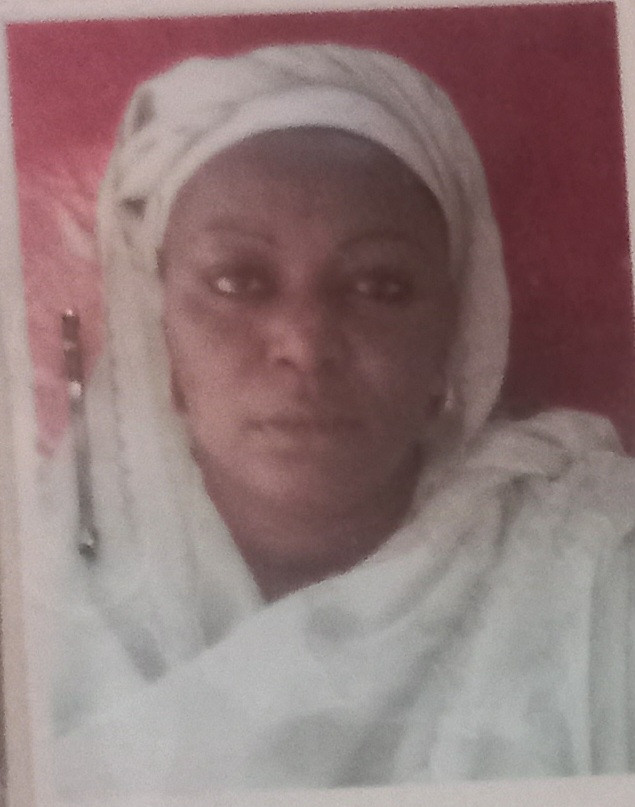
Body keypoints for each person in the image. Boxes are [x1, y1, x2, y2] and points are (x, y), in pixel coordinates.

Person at [41, 43, 635, 795]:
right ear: (156, 332)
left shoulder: (592, 569)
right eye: (237, 280)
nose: (305, 343)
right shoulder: (41, 589)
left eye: (378, 286)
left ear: (452, 337)